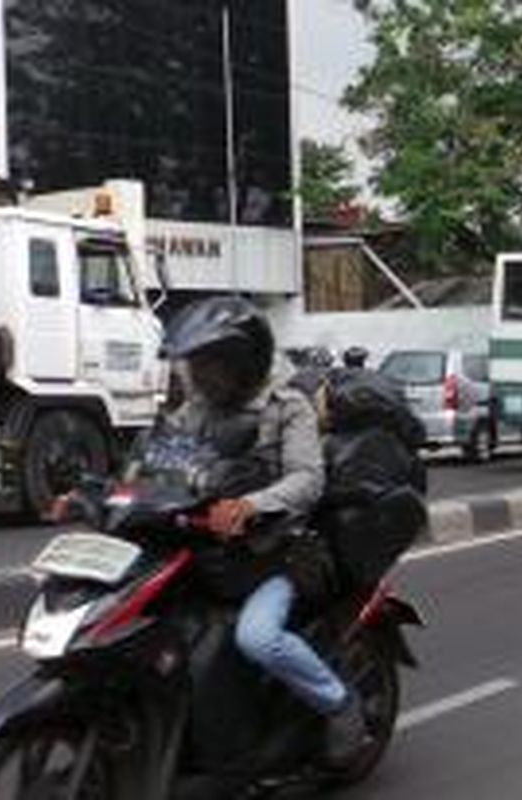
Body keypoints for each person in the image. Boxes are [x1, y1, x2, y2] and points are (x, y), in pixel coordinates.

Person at [156, 296, 368, 767]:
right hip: (207, 550)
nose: (202, 375)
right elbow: (158, 461)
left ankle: (340, 704)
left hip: (274, 553)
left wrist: (250, 505)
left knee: (257, 638)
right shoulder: (197, 410)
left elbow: (307, 480)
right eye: (196, 364)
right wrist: (99, 492)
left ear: (241, 361)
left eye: (211, 363)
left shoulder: (285, 405)